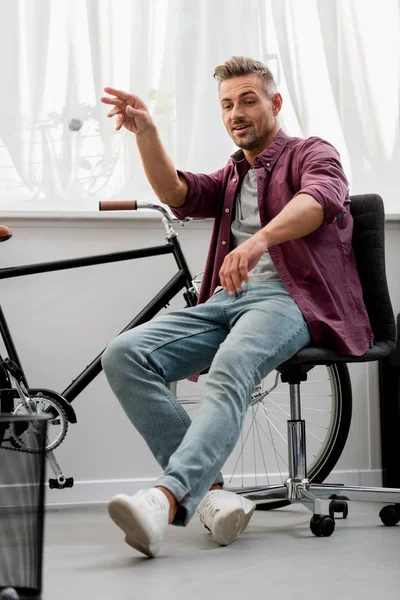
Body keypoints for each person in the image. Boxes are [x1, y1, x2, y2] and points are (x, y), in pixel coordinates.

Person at [100, 56, 373, 558]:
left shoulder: (312, 152)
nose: (236, 113)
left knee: (230, 365)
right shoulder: (233, 174)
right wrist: (146, 132)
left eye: (248, 100)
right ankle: (214, 496)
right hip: (229, 301)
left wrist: (255, 244)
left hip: (293, 300)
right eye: (227, 105)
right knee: (123, 354)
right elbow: (177, 191)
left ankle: (165, 497)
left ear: (275, 103)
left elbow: (318, 200)